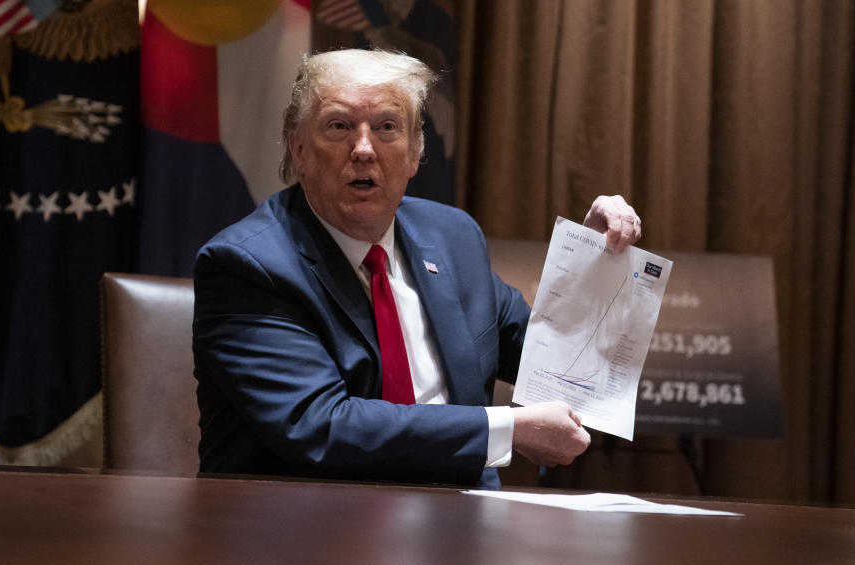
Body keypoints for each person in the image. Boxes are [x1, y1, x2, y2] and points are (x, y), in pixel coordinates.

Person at [192, 49, 642, 488]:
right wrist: (505, 429)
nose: (364, 149)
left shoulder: (452, 237)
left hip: (460, 524)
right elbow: (320, 427)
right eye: (339, 126)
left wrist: (593, 259)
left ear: (414, 153)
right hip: (309, 533)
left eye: (387, 127)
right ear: (300, 150)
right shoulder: (248, 266)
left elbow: (564, 371)